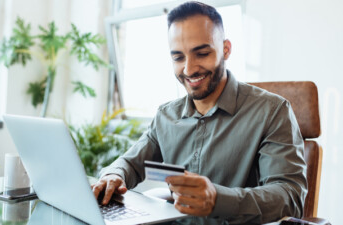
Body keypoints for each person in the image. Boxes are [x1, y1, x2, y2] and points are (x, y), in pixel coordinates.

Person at [91, 1, 307, 224]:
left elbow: (290, 197)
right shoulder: (166, 116)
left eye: (202, 53)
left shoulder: (271, 111)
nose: (189, 69)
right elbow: (130, 163)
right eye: (178, 57)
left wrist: (218, 199)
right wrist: (113, 175)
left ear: (226, 49)